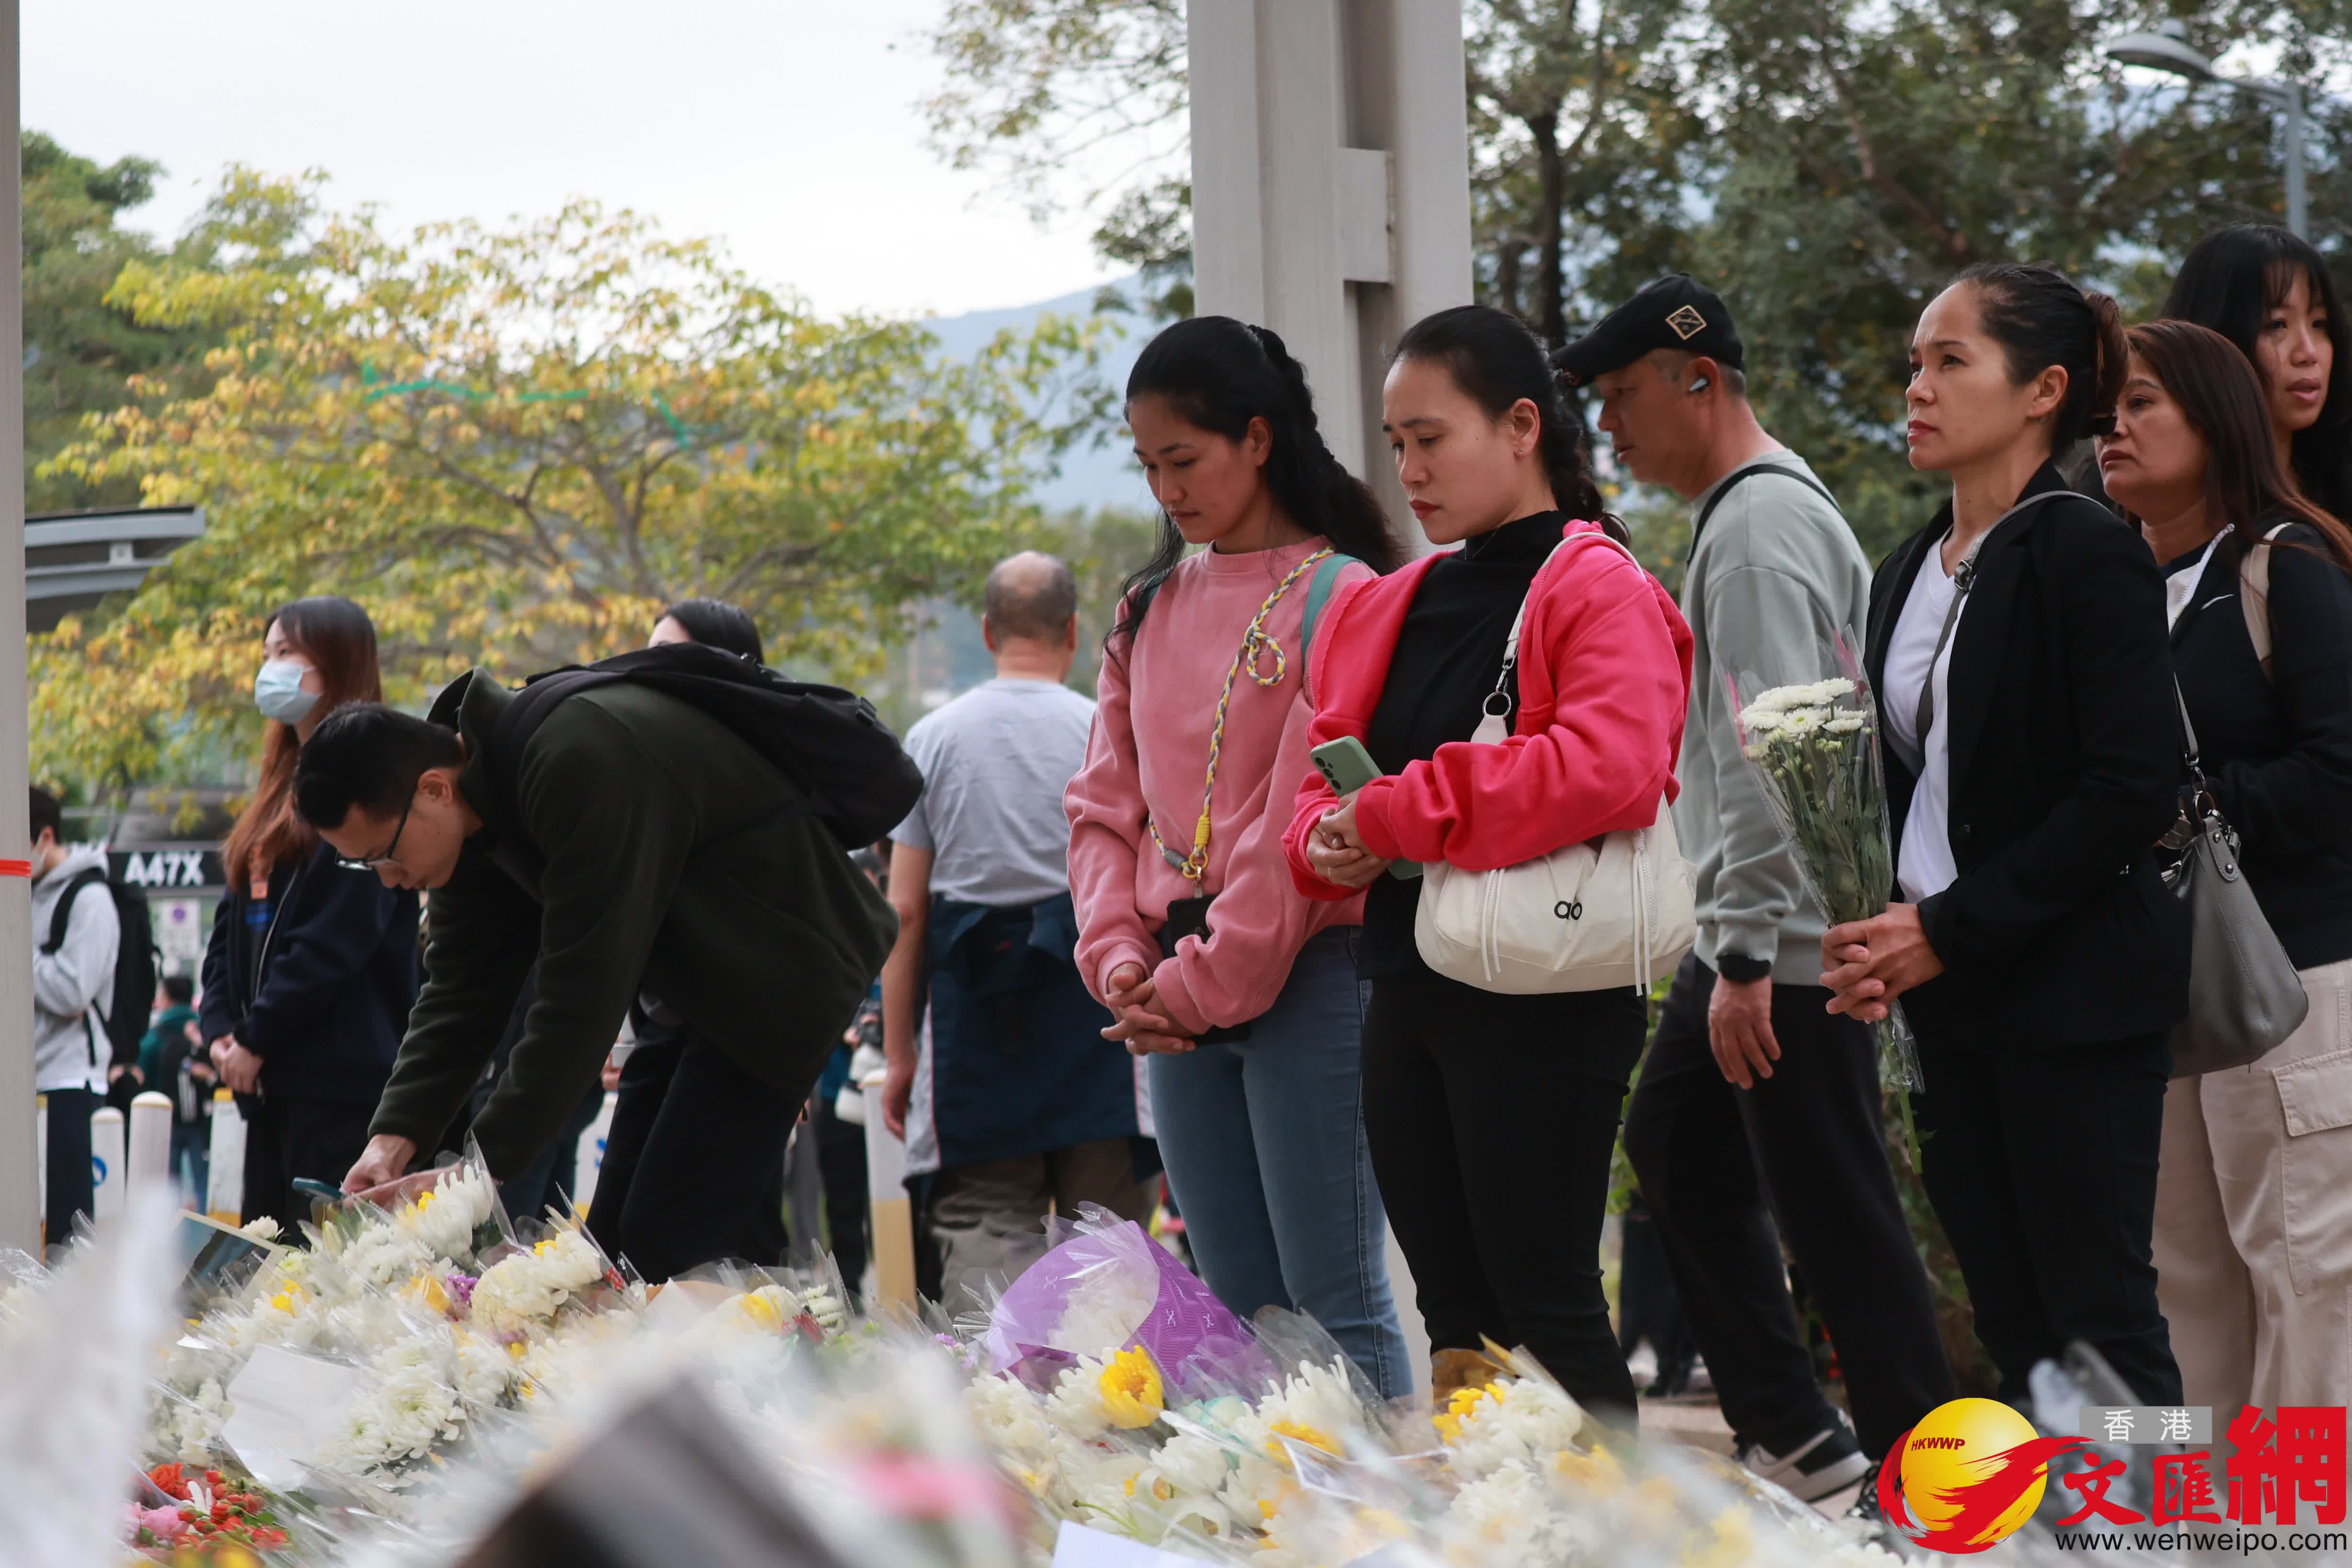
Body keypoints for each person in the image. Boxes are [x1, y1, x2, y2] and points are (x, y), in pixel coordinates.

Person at [1569, 275, 1954, 1496]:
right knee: (1679, 1142)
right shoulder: (1752, 511)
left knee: (1836, 1212)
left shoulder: (1753, 529)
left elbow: (1778, 746)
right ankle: (1801, 1438)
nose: (1607, 426)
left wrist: (1738, 952)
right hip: (1761, 929)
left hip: (1783, 942)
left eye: (1619, 394)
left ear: (1698, 380)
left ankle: (1923, 1484)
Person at [1287, 304, 1693, 1420]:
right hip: (1405, 978)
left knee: (1546, 1303)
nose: (1409, 469)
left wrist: (1394, 812)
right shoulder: (1392, 600)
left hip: (1545, 986)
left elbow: (1608, 769)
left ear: (1521, 427)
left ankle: (1612, 1514)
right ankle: (1495, 1508)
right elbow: (1325, 779)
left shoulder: (1593, 582)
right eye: (1396, 443)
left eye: (1430, 437)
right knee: (1457, 1317)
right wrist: (1326, 839)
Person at [1822, 263, 2188, 1406]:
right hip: (1948, 1000)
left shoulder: (2087, 549)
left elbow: (2131, 786)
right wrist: (1877, 921)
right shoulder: (1906, 567)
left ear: (2042, 390)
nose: (1916, 387)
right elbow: (1912, 784)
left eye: (1949, 360)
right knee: (2012, 1315)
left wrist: (1946, 924)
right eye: (1913, 363)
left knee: (2102, 1316)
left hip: (2072, 993)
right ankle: (2065, 1509)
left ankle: (2159, 1510)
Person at [296, 624, 897, 1284]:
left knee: (665, 1250)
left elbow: (582, 991)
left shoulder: (574, 758)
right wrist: (392, 1141)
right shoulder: (475, 807)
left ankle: (782, 1346)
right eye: (364, 866)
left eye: (382, 854)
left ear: (434, 788)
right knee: (611, 1256)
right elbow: (461, 991)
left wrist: (481, 1168)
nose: (388, 880)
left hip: (781, 976)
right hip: (692, 993)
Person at [1066, 316, 1410, 1397]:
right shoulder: (1145, 607)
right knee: (1231, 1310)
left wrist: (1190, 985)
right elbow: (1102, 807)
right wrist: (1117, 957)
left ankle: (1376, 1505)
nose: (1165, 490)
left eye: (1183, 458)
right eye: (1148, 465)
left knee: (1333, 1301)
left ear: (1257, 439)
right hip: (1171, 985)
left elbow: (1295, 818)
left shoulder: (1342, 592)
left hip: (1310, 970)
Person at [2098, 318, 2352, 1424]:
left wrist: (2180, 812)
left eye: (2139, 401)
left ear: (2214, 419)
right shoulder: (2117, 591)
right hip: (2165, 996)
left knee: (2304, 1285)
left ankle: (2299, 1522)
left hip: (2296, 980)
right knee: (2179, 1296)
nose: (2111, 426)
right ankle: (2188, 1519)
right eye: (2103, 408)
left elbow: (2337, 770)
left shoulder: (2283, 566)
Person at [881, 552, 1155, 1308]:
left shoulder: (931, 738)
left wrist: (900, 1055)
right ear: (1073, 631)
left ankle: (994, 1380)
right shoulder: (1104, 729)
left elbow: (905, 911)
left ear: (986, 630)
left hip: (972, 1009)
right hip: (1099, 996)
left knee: (983, 1227)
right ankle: (1111, 1383)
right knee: (1103, 1241)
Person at [201, 597, 421, 1235]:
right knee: (265, 1260)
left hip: (338, 1083)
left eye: (286, 654)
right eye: (267, 653)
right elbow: (231, 921)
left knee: (325, 1264)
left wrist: (257, 1036)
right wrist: (222, 1028)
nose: (270, 669)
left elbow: (336, 940)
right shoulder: (277, 785)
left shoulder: (370, 784)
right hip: (269, 1082)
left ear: (336, 662)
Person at [2163, 224, 2348, 521]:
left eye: (2319, 324)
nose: (2308, 353)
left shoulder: (2339, 487)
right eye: (2277, 325)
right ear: (2214, 338)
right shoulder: (2151, 501)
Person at [29, 785, 119, 1251]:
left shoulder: (90, 898)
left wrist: (18, 953)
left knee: (68, 1235)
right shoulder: (25, 896)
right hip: (27, 1083)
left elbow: (73, 990)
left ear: (45, 837)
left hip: (69, 1082)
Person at [139, 976, 212, 1205]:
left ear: (168, 998)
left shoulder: (156, 1035)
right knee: (203, 1182)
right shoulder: (204, 1029)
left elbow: (144, 1071)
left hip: (165, 1119)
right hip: (200, 1121)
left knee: (168, 1185)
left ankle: (171, 1225)